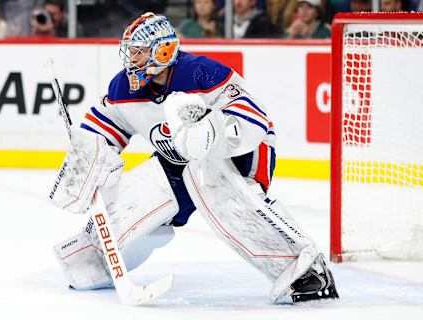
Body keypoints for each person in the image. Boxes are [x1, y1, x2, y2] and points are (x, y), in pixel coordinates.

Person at [49, 12, 339, 304]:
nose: (131, 59)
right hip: (177, 158)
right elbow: (101, 129)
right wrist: (85, 162)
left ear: (161, 50)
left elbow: (254, 118)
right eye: (131, 51)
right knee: (134, 199)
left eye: (139, 51)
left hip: (240, 153)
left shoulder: (201, 73)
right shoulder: (123, 87)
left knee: (220, 193)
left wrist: (211, 134)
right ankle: (92, 261)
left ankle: (307, 271)